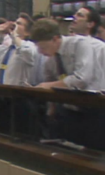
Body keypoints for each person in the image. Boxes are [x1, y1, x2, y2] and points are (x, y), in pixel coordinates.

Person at [32, 18, 105, 150]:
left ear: (55, 39)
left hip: (93, 107)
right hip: (69, 108)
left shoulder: (80, 44)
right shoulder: (51, 57)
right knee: (69, 151)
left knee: (93, 154)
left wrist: (48, 85)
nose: (40, 52)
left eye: (43, 47)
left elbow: (81, 79)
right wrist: (51, 108)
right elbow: (49, 81)